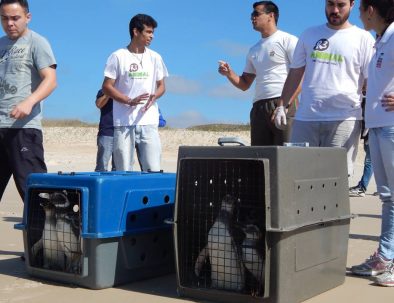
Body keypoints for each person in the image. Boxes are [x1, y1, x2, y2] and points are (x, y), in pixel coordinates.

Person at [274, 0, 375, 176]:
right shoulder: (309, 34)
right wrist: (282, 104)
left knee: (335, 177)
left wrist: (372, 114)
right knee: (299, 175)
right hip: (306, 118)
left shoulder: (363, 38)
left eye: (340, 5)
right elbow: (295, 73)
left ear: (352, 4)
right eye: (330, 4)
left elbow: (371, 80)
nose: (334, 10)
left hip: (345, 119)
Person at [350, 0, 394, 287]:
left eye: (360, 7)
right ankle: (386, 256)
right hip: (378, 126)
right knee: (388, 196)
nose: (358, 13)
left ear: (370, 9)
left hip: (391, 126)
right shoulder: (381, 40)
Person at [218, 1, 298, 146]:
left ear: (270, 16)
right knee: (260, 155)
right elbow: (244, 84)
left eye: (256, 14)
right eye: (251, 15)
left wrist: (284, 105)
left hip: (282, 101)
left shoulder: (288, 40)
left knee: (286, 155)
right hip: (259, 106)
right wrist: (229, 73)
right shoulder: (253, 50)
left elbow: (301, 75)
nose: (252, 18)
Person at [0, 0, 57, 202]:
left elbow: (50, 80)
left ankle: (40, 234)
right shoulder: (0, 44)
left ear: (27, 17)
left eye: (15, 18)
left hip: (24, 130)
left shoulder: (37, 42)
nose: (10, 23)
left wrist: (29, 101)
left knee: (35, 197)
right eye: (5, 18)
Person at [102, 14, 168, 172]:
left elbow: (162, 86)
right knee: (124, 171)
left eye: (153, 33)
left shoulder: (155, 57)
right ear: (136, 31)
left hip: (149, 121)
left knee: (153, 170)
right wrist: (127, 100)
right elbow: (106, 86)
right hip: (124, 123)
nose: (151, 36)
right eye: (148, 32)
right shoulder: (118, 56)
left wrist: (155, 95)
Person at [94, 89, 116, 172]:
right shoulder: (103, 91)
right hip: (107, 131)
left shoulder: (126, 90)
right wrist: (108, 93)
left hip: (123, 131)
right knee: (102, 165)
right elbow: (98, 104)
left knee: (120, 166)